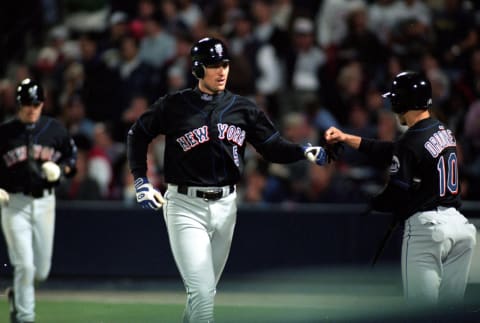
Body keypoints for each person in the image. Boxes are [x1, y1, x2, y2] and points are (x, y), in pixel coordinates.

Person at [126, 37, 329, 322]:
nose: (221, 71)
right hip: (185, 205)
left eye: (224, 64)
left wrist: (302, 150)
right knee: (202, 294)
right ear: (197, 70)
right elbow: (137, 134)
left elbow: (272, 147)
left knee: (204, 294)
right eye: (213, 65)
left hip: (226, 206)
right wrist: (141, 180)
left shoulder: (243, 108)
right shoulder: (174, 105)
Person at [325, 71, 477, 307]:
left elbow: (395, 192)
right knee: (449, 314)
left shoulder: (411, 141)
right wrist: (346, 138)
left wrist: (373, 203)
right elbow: (391, 150)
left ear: (402, 101)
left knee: (420, 313)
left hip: (428, 231)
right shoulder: (442, 131)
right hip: (461, 230)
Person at [0, 78, 77, 323]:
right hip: (14, 204)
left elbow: (72, 160)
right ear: (19, 104)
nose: (31, 109)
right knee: (24, 265)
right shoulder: (5, 133)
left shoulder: (55, 130)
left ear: (43, 103)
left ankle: (17, 296)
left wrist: (61, 169)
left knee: (41, 271)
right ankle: (25, 317)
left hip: (45, 203)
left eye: (35, 103)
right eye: (26, 104)